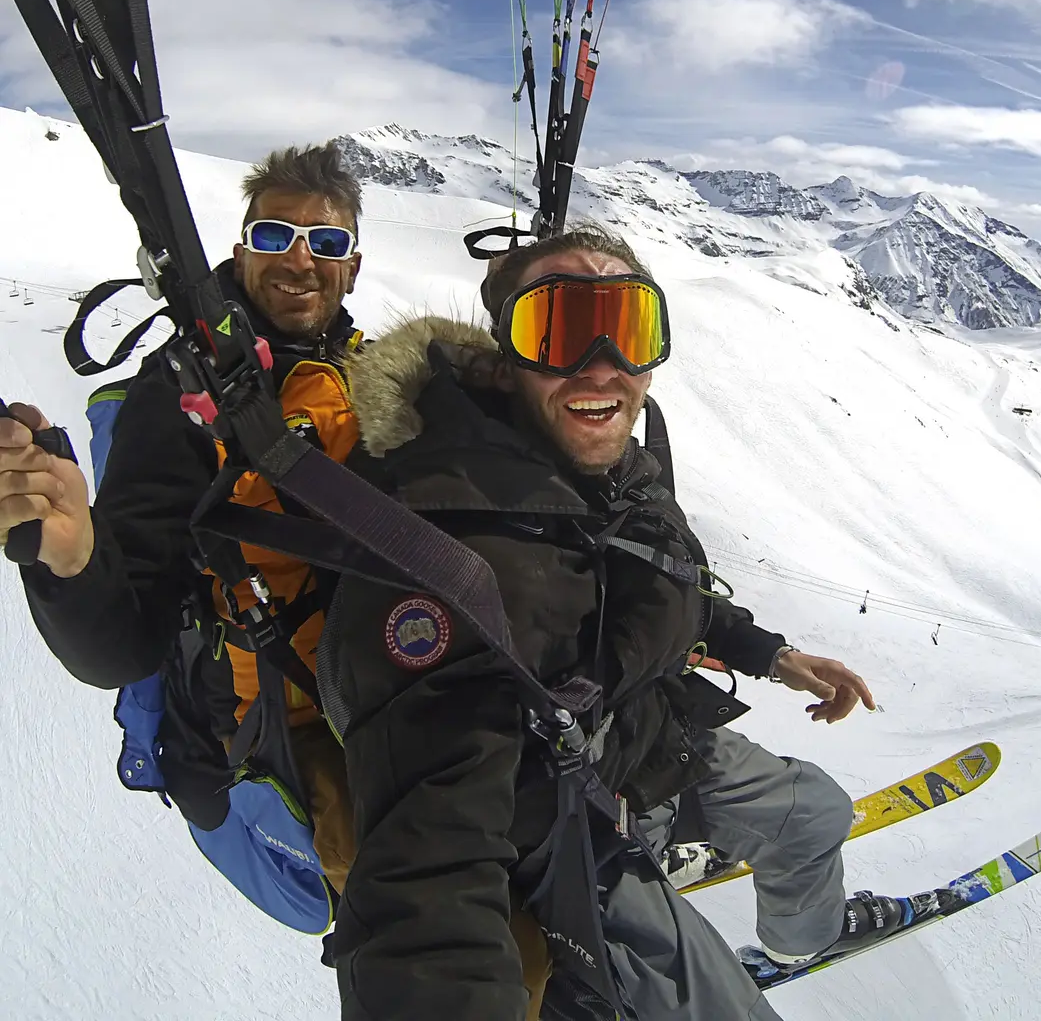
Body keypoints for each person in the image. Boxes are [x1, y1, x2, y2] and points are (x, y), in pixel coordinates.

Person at [328, 222, 929, 1020]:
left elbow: (660, 586)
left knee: (815, 809)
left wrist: (768, 654)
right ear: (504, 362)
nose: (602, 363)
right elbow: (428, 858)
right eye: (560, 330)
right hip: (570, 825)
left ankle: (799, 939)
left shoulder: (609, 473)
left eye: (630, 328)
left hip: (649, 737)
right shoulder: (448, 551)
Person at [0, 141, 365, 891]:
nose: (299, 261)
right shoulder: (180, 398)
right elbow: (124, 643)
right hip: (267, 738)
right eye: (275, 237)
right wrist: (70, 560)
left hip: (379, 678)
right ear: (242, 250)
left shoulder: (374, 375)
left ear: (351, 265)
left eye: (325, 242)